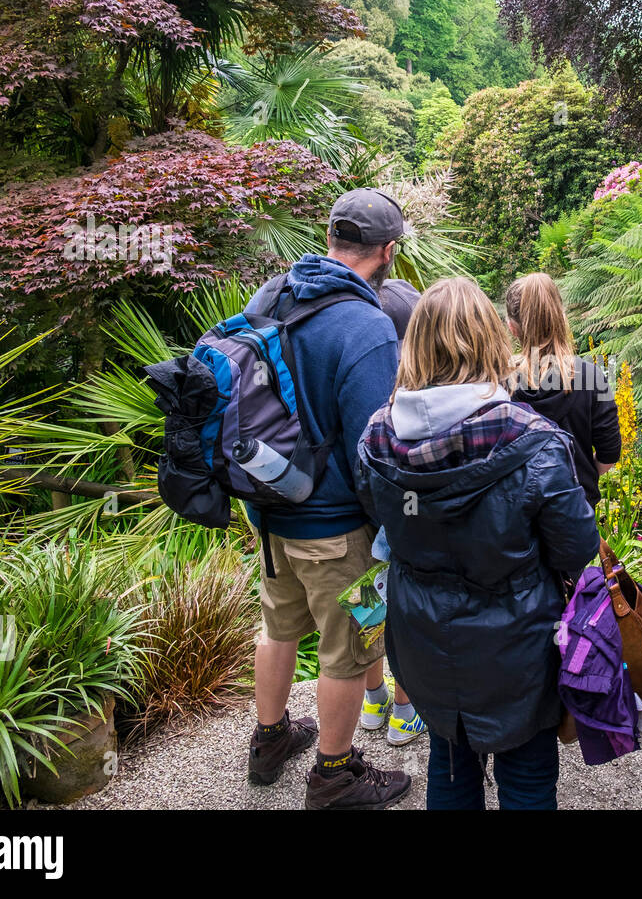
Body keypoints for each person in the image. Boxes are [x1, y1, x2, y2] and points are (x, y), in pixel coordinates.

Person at [355, 277, 599, 810]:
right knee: (528, 778)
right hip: (517, 644)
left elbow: (379, 518)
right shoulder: (531, 439)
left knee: (449, 767)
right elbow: (578, 549)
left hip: (422, 637)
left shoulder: (377, 438)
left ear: (414, 345)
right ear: (492, 339)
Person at [244, 187, 412, 810]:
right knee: (351, 645)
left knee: (278, 625)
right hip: (337, 527)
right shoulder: (366, 325)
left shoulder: (273, 293)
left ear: (333, 238)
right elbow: (374, 444)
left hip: (268, 511)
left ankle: (270, 739)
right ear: (387, 252)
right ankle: (335, 773)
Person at [359, 275, 427, 747]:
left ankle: (372, 699)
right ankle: (405, 712)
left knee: (367, 608)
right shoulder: (412, 382)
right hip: (399, 529)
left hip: (354, 517)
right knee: (401, 614)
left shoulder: (361, 361)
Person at [505, 272, 621, 510]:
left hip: (518, 515)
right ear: (561, 317)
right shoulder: (591, 376)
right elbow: (609, 454)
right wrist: (579, 476)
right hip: (578, 510)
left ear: (512, 328)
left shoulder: (500, 383)